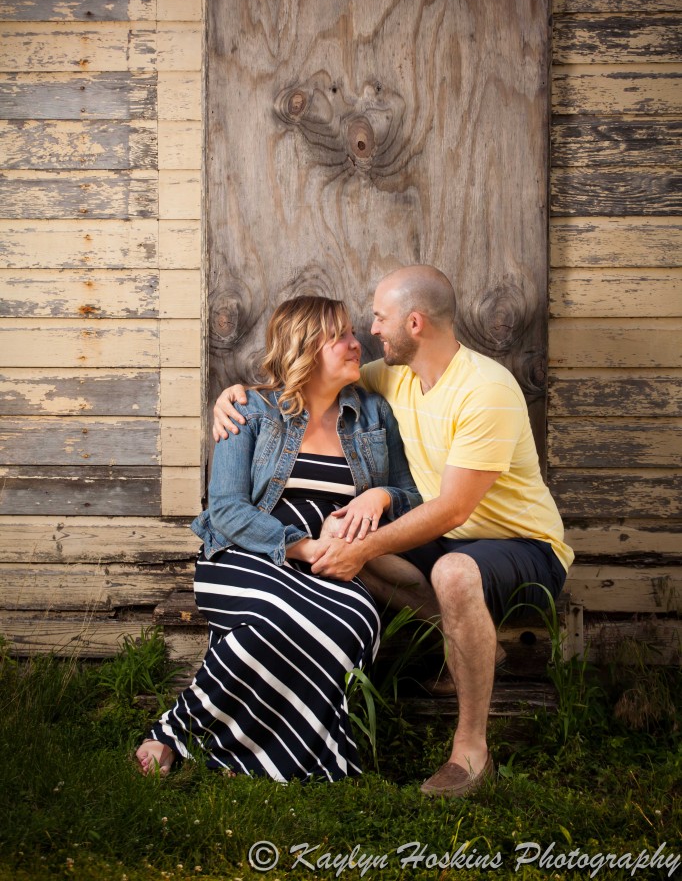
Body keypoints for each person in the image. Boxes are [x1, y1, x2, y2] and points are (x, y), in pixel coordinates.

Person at [214, 266, 574, 798]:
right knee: (342, 532)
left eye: (379, 319)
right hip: (445, 537)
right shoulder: (391, 376)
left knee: (448, 570)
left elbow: (451, 509)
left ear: (414, 322)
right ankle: (478, 645)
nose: (368, 331)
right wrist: (235, 393)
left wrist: (366, 537)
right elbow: (307, 375)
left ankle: (471, 752)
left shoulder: (486, 389)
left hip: (520, 544)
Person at [136, 295, 421, 782]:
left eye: (355, 334)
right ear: (307, 348)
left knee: (353, 620)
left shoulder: (375, 415)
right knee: (274, 616)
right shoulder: (250, 409)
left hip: (336, 563)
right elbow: (225, 509)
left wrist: (381, 499)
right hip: (246, 551)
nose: (359, 344)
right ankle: (174, 731)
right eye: (343, 337)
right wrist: (303, 547)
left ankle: (253, 757)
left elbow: (412, 497)